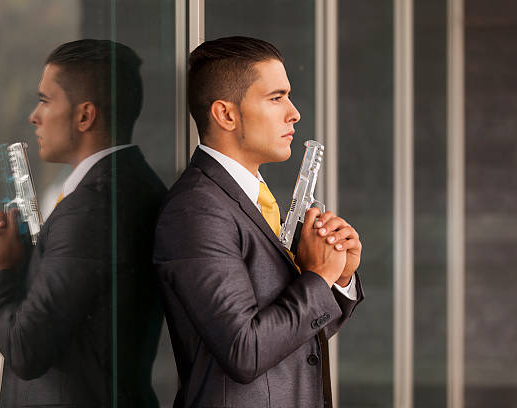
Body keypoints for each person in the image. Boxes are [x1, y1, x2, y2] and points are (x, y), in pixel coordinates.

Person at [153, 36, 363, 408]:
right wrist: (318, 278)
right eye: (276, 97)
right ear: (226, 115)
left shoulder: (251, 198)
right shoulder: (196, 210)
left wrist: (339, 277)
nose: (294, 113)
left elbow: (294, 344)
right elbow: (245, 351)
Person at [0, 39, 167, 407]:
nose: (34, 116)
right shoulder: (131, 185)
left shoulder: (92, 207)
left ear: (84, 116)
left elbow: (26, 349)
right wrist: (31, 263)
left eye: (45, 100)